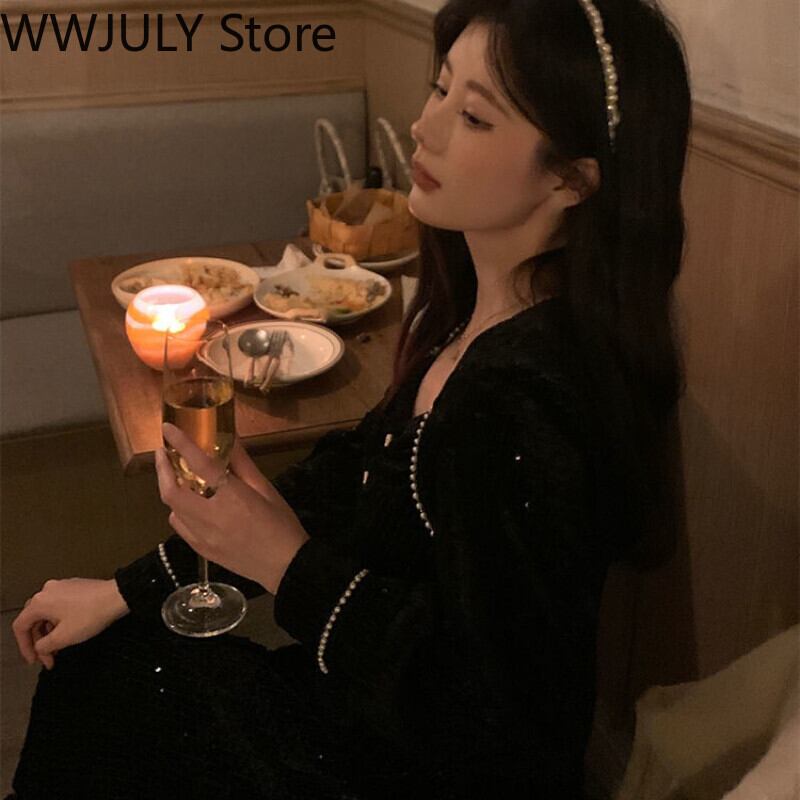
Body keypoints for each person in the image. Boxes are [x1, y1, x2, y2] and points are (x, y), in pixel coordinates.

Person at [9, 0, 691, 797]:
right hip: (363, 707)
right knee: (106, 660)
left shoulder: (526, 397)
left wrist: (281, 559)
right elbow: (350, 475)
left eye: (473, 116)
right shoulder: (476, 319)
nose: (425, 128)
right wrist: (131, 588)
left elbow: (503, 735)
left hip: (404, 765)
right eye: (439, 89)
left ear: (572, 180)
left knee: (110, 692)